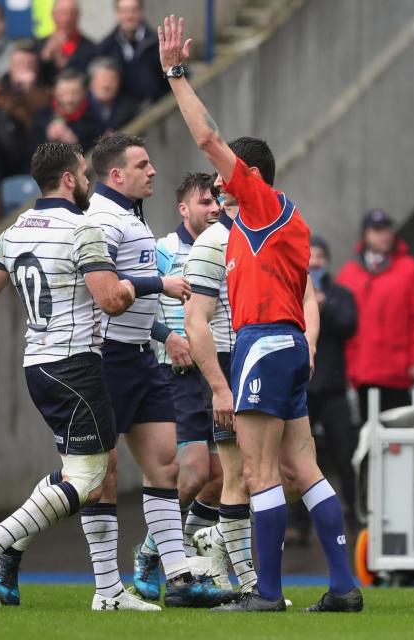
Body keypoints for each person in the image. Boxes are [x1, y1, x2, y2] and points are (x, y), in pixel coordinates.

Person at [159, 14, 362, 612]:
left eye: (227, 186)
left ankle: (267, 594)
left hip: (265, 344)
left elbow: (207, 140)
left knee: (256, 468)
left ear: (247, 182)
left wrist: (176, 76)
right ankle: (345, 588)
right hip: (286, 346)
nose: (221, 195)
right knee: (304, 465)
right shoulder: (274, 224)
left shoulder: (264, 207)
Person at [0, 141, 157, 611]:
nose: (88, 181)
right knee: (89, 478)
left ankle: (108, 592)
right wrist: (148, 284)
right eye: (85, 174)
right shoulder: (82, 228)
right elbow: (111, 300)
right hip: (75, 365)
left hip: (38, 364)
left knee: (87, 471)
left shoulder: (17, 228)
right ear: (69, 178)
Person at [86, 133, 232, 608]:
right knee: (94, 476)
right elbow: (106, 295)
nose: (152, 171)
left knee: (166, 465)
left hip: (142, 358)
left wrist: (159, 333)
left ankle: (177, 579)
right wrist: (160, 285)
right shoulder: (102, 220)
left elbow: (133, 300)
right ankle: (7, 545)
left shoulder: (130, 216)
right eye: (143, 164)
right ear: (116, 175)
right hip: (104, 358)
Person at [138, 172, 226, 580]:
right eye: (204, 202)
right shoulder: (163, 250)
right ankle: (150, 552)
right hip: (175, 373)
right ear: (183, 208)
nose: (213, 208)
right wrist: (169, 336)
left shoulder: (225, 246)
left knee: (219, 477)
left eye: (216, 202)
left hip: (214, 372)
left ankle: (175, 554)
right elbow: (139, 307)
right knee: (192, 473)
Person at [184, 179, 263, 602]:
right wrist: (218, 386)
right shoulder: (213, 243)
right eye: (216, 195)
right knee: (233, 476)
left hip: (265, 360)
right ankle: (250, 583)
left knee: (278, 476)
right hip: (229, 364)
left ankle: (213, 538)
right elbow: (195, 320)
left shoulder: (272, 228)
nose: (219, 203)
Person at [336, 209, 414, 420]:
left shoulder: (410, 269)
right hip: (360, 370)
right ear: (365, 235)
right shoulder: (349, 273)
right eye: (377, 230)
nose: (385, 235)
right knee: (364, 434)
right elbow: (340, 323)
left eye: (387, 229)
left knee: (398, 436)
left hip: (398, 370)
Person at [304, 236, 358, 524]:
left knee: (344, 455)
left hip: (334, 387)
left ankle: (352, 512)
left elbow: (350, 326)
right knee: (298, 459)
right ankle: (298, 524)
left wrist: (325, 308)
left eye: (320, 257)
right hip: (302, 389)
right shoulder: (292, 291)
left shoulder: (340, 294)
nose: (314, 262)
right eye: (310, 257)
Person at [95, 0, 167, 105]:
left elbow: (177, 74)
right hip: (122, 116)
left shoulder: (159, 43)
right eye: (124, 11)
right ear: (117, 14)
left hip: (156, 110)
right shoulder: (105, 48)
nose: (129, 16)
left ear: (141, 12)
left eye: (134, 10)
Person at [31, 69, 105, 152]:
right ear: (55, 92)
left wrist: (74, 143)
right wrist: (47, 139)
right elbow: (30, 154)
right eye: (63, 93)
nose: (68, 100)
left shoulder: (94, 119)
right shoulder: (42, 116)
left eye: (74, 93)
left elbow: (98, 157)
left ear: (83, 93)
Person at [38, 0, 96, 84]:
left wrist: (67, 64)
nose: (67, 19)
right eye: (62, 13)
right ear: (53, 15)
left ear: (78, 15)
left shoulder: (91, 48)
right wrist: (46, 55)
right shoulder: (39, 46)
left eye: (71, 13)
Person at [87, 56, 140, 133]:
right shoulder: (80, 107)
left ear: (119, 83)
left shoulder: (130, 107)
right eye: (103, 79)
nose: (107, 85)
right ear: (91, 82)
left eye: (112, 80)